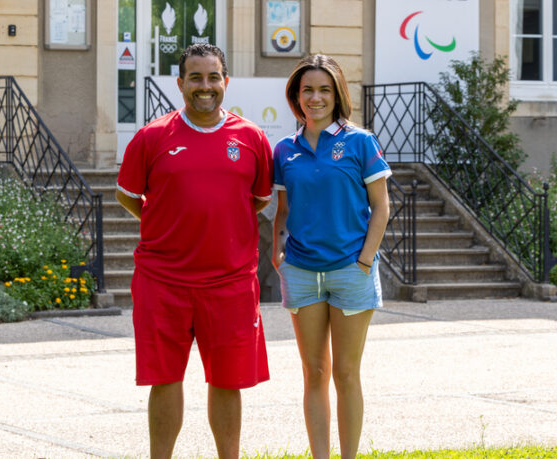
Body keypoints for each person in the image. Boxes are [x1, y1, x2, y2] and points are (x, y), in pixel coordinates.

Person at [116, 43, 273, 459]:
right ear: (180, 83)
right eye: (196, 78)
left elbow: (257, 199)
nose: (205, 87)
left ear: (226, 82)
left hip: (230, 281)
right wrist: (165, 220)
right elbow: (129, 195)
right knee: (164, 378)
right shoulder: (152, 136)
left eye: (213, 77)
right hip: (162, 280)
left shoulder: (252, 138)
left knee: (227, 380)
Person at [271, 54, 390, 459]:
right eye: (308, 90)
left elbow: (382, 207)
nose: (315, 97)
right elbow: (283, 210)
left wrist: (364, 261)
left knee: (346, 373)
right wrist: (278, 250)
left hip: (350, 272)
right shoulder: (285, 150)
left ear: (337, 94)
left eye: (324, 89)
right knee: (314, 373)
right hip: (302, 273)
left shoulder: (360, 141)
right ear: (296, 95)